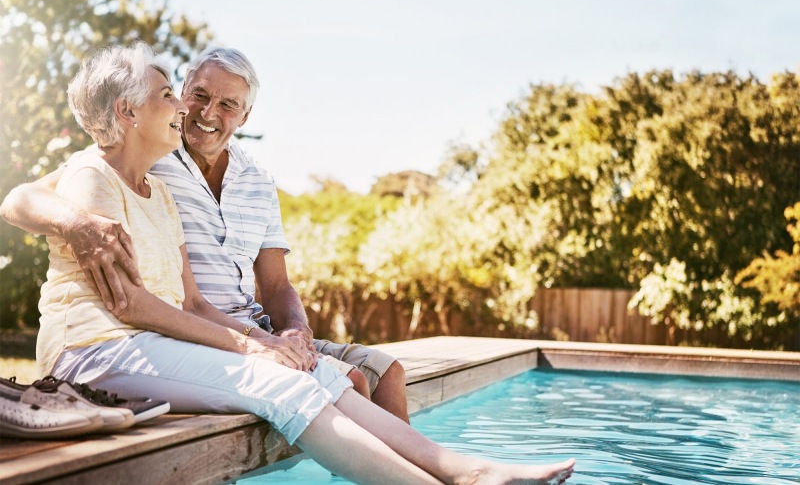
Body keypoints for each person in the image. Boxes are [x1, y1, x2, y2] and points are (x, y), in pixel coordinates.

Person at [2, 42, 575, 484]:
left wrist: (278, 338)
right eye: (177, 95)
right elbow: (117, 292)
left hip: (170, 338)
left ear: (245, 114)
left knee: (320, 371)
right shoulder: (96, 173)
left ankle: (462, 470)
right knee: (281, 380)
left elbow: (198, 299)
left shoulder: (164, 190)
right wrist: (252, 347)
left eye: (225, 104)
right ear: (128, 111)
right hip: (101, 348)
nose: (188, 109)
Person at [1, 47, 408, 421]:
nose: (208, 113)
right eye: (199, 95)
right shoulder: (148, 155)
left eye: (228, 104)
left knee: (388, 374)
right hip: (191, 332)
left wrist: (294, 331)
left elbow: (278, 284)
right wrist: (78, 224)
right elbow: (20, 199)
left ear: (245, 117)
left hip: (252, 328)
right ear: (181, 93)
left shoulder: (258, 179)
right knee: (350, 382)